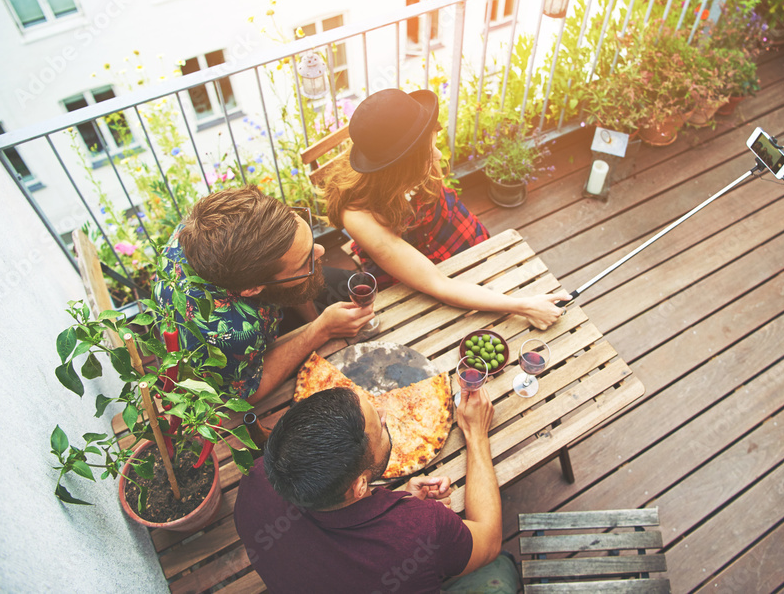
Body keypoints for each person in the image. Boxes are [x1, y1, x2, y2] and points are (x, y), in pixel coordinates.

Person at [234, 385, 519, 593]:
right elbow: (489, 539)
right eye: (379, 427)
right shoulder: (423, 530)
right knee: (500, 569)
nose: (384, 413)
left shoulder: (255, 477)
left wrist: (396, 501)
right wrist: (476, 433)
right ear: (359, 486)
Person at [325, 88, 570, 330]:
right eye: (427, 152)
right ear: (399, 169)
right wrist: (525, 307)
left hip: (450, 227)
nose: (439, 156)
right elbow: (438, 284)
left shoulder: (410, 153)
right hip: (407, 261)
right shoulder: (359, 216)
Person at [153, 185, 374, 403]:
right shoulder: (232, 332)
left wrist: (314, 316)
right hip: (226, 356)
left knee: (355, 283)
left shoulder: (206, 225)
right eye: (303, 262)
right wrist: (321, 330)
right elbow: (249, 391)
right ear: (252, 289)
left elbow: (290, 276)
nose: (321, 252)